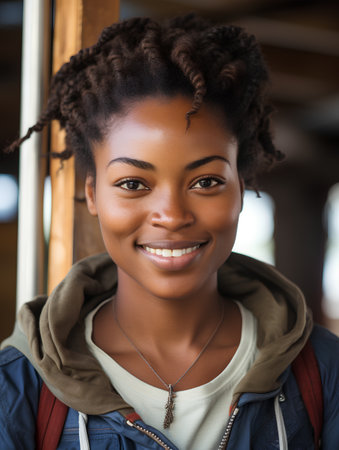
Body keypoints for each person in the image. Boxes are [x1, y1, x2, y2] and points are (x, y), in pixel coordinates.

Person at [1, 13, 338, 450]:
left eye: (206, 182)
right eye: (133, 184)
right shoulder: (20, 387)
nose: (173, 215)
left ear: (241, 187)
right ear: (93, 194)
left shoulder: (322, 373)